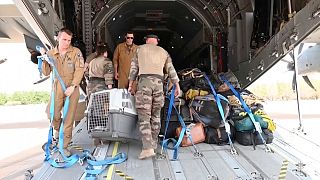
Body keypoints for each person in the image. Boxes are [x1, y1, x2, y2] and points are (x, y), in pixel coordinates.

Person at [128, 34, 181, 159]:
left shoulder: (139, 50)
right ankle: (153, 144)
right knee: (156, 115)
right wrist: (177, 86)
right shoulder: (163, 52)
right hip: (158, 85)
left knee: (144, 116)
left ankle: (147, 148)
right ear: (157, 42)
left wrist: (131, 84)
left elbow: (133, 68)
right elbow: (171, 69)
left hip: (144, 84)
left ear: (146, 41)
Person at [41, 28, 85, 157]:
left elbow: (79, 70)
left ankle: (64, 145)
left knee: (68, 118)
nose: (67, 42)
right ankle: (57, 130)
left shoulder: (76, 52)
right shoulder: (50, 53)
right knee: (52, 113)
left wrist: (73, 86)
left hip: (72, 88)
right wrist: (44, 59)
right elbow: (46, 72)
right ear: (58, 38)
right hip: (57, 87)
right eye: (64, 39)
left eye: (69, 40)